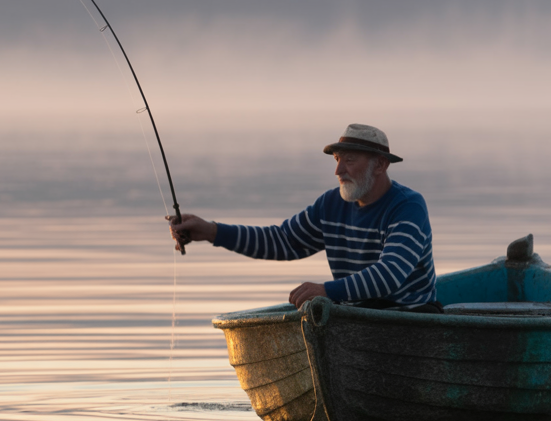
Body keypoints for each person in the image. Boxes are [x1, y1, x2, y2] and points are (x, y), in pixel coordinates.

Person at [170, 123, 440, 312]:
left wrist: (327, 291)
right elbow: (282, 241)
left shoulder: (408, 207)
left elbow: (390, 274)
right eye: (336, 159)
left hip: (411, 317)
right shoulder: (331, 204)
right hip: (358, 317)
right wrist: (211, 232)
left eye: (350, 160)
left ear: (380, 164)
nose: (338, 170)